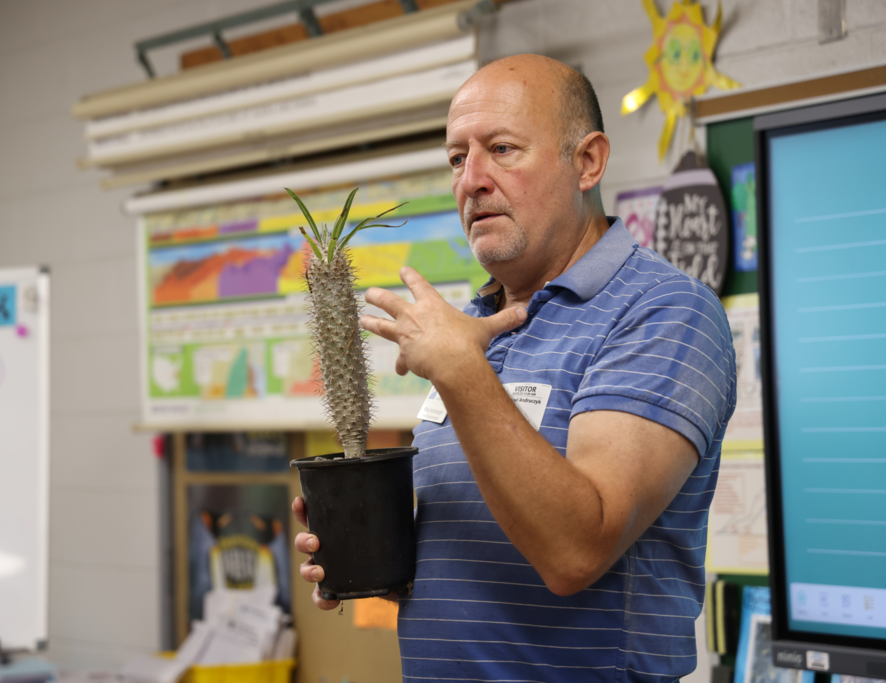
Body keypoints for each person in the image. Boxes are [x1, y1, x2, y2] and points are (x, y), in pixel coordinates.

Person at [293, 54, 736, 681]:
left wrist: (460, 370)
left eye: (501, 149)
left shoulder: (664, 311)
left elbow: (575, 551)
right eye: (457, 158)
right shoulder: (475, 324)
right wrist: (375, 556)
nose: (471, 180)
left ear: (588, 162)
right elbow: (490, 559)